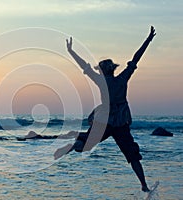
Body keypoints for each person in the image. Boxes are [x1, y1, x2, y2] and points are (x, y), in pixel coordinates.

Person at [54, 26, 156, 192]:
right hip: (120, 123)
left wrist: (71, 51)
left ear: (101, 71)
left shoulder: (100, 81)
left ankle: (72, 145)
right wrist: (148, 40)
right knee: (132, 155)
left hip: (105, 120)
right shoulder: (122, 78)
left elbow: (84, 66)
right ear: (113, 69)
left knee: (86, 144)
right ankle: (144, 185)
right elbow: (136, 59)